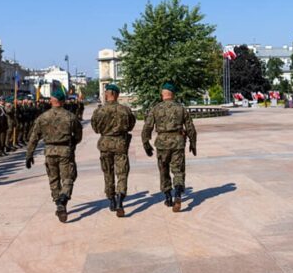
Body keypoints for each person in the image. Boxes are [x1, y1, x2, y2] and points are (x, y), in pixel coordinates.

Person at [25, 90, 83, 223]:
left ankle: (58, 202)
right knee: (68, 177)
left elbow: (34, 137)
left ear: (52, 100)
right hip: (65, 151)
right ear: (63, 101)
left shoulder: (43, 117)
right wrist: (72, 144)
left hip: (49, 151)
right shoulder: (70, 116)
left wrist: (29, 154)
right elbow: (78, 135)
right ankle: (63, 199)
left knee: (53, 178)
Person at [141, 82, 197, 212]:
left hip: (162, 143)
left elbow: (147, 128)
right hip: (178, 142)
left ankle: (168, 197)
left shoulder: (156, 108)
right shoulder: (181, 108)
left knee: (163, 169)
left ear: (163, 94)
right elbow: (190, 128)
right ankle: (177, 194)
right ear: (173, 94)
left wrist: (146, 143)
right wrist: (193, 143)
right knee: (178, 170)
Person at [91, 83, 136, 217]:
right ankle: (120, 201)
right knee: (122, 173)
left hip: (105, 144)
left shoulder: (99, 111)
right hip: (120, 144)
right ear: (117, 95)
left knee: (108, 172)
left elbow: (95, 128)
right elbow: (131, 125)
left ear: (107, 94)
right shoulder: (125, 110)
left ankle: (111, 199)